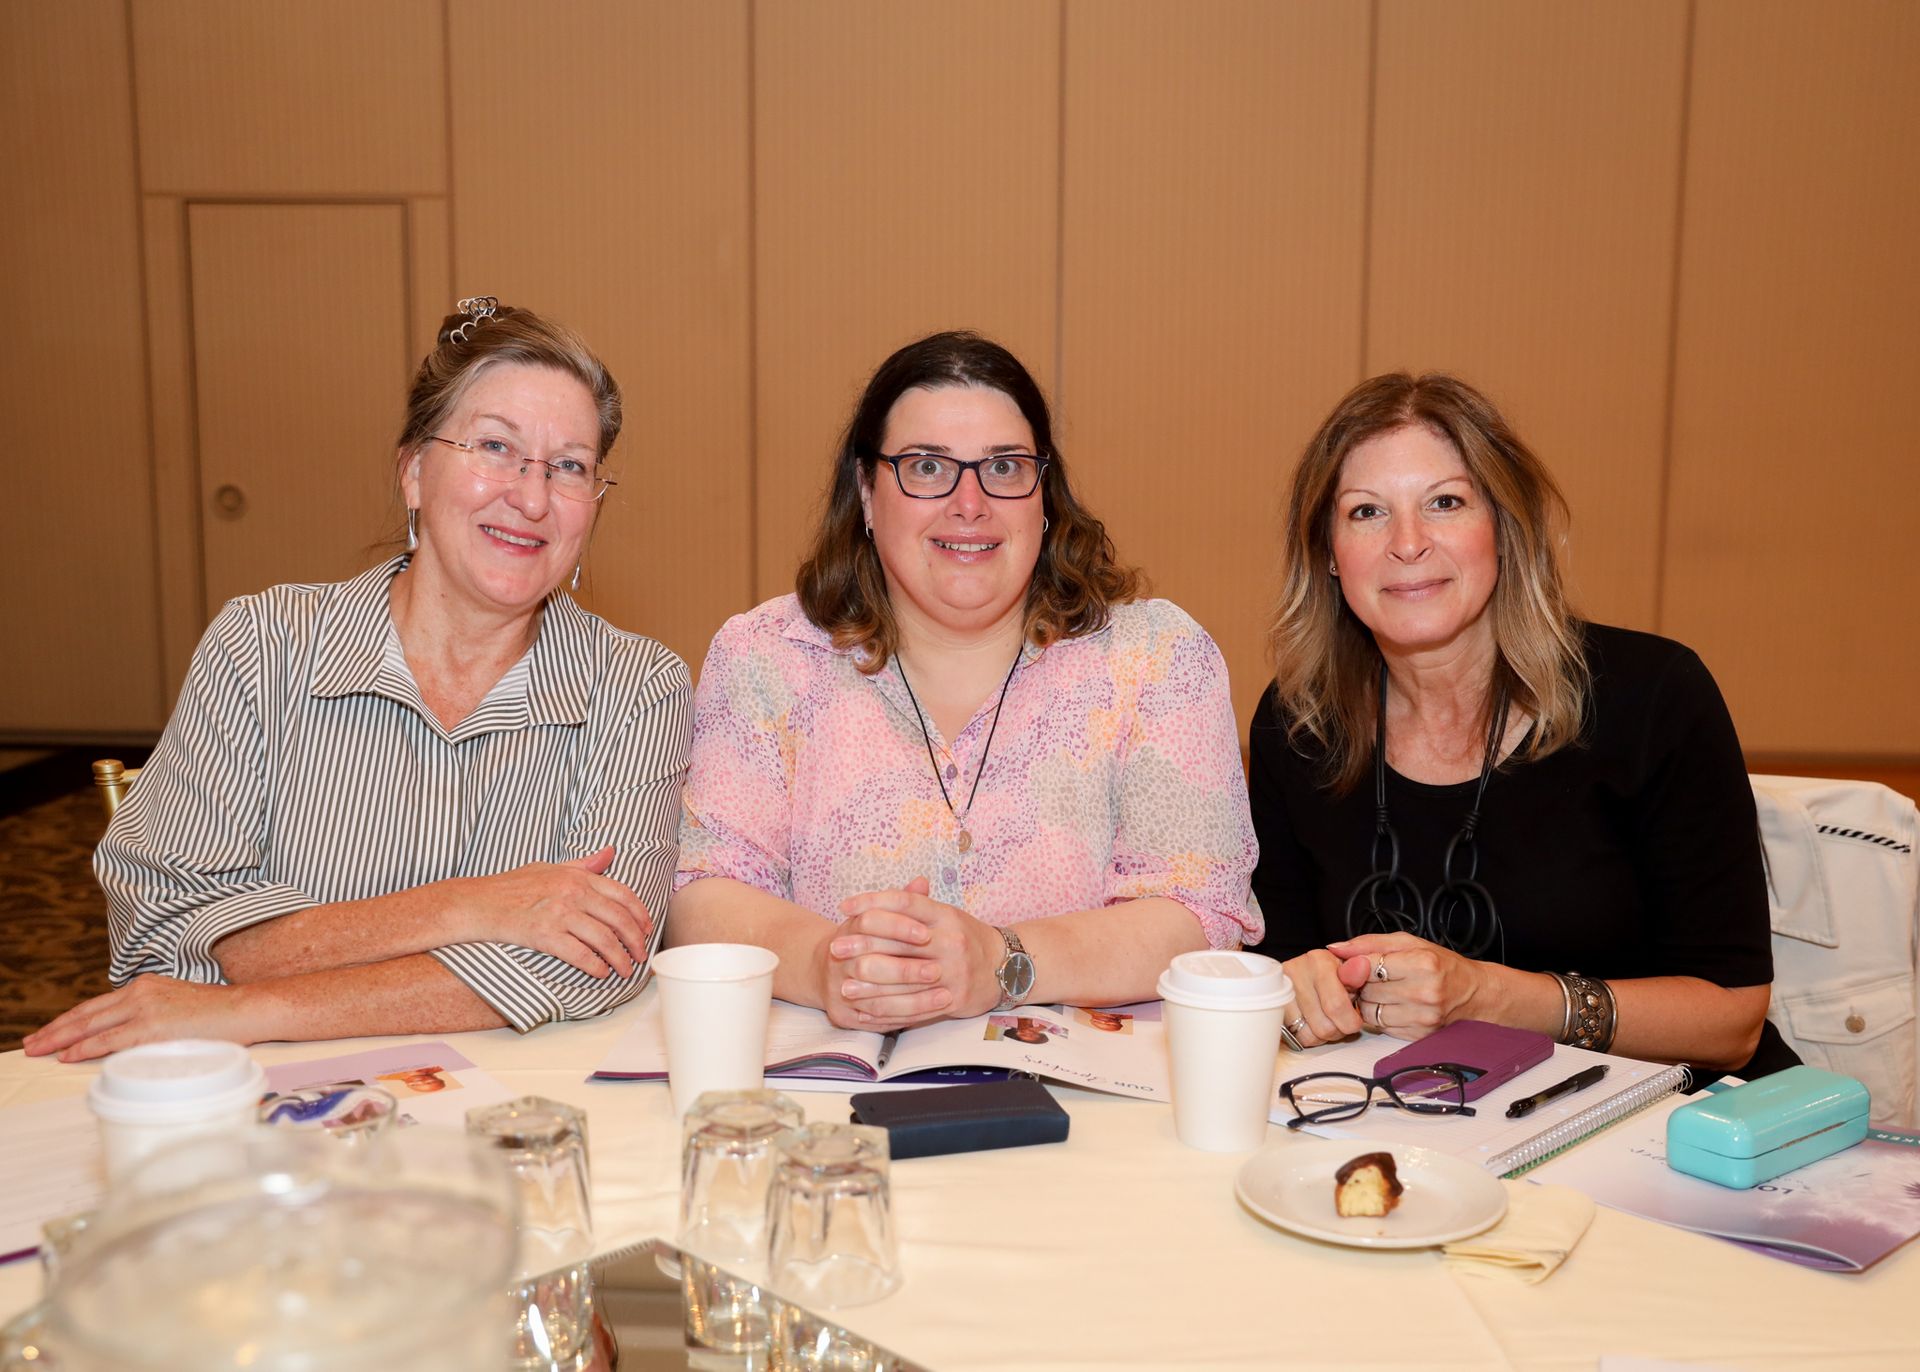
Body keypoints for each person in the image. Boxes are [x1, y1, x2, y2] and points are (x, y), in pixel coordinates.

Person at [26, 299, 690, 1063]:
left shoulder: (638, 688)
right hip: (264, 1116)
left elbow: (600, 961)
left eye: (569, 466)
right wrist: (474, 906)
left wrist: (248, 1007)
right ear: (413, 472)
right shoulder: (265, 647)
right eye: (495, 447)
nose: (532, 498)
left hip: (508, 1120)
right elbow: (170, 924)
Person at [668, 331, 1258, 1030]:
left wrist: (1002, 960)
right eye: (926, 467)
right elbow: (704, 893)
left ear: (1044, 493)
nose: (969, 503)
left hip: (1096, 1112)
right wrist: (827, 963)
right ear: (865, 490)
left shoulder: (1156, 659)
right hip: (835, 1104)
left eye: (1004, 467)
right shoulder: (768, 657)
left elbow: (1202, 913)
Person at [1248, 372, 1791, 1077]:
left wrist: (1491, 995)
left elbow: (1732, 1021)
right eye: (1366, 513)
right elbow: (1278, 959)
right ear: (1327, 551)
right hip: (1413, 1121)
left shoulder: (1653, 697)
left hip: (1672, 1131)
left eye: (1445, 502)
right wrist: (1298, 984)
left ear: (1504, 527)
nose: (1408, 543)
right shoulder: (1299, 723)